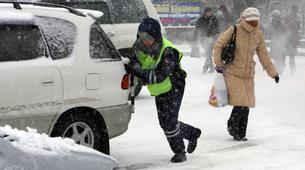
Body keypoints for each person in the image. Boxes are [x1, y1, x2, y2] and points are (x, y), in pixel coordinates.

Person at [124, 18, 201, 163]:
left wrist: (137, 71)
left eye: (149, 37)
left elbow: (158, 76)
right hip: (159, 89)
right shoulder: (138, 47)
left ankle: (179, 152)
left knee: (169, 122)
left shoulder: (168, 51)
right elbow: (133, 61)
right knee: (164, 122)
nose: (145, 40)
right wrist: (131, 64)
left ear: (156, 37)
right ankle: (192, 133)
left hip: (174, 85)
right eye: (142, 36)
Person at [213, 7, 280, 141]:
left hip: (248, 74)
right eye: (250, 21)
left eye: (255, 21)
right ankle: (234, 128)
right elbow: (218, 45)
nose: (253, 24)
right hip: (233, 72)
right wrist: (219, 64)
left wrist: (273, 73)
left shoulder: (258, 34)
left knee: (246, 103)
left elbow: (263, 55)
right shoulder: (234, 30)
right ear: (244, 19)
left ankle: (240, 132)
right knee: (241, 102)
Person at [194, 7, 219, 74]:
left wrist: (215, 34)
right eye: (208, 12)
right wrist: (196, 38)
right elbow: (197, 28)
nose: (209, 13)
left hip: (212, 38)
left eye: (210, 12)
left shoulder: (214, 19)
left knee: (209, 54)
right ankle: (212, 68)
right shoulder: (201, 19)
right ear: (205, 12)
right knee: (208, 54)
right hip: (204, 39)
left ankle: (205, 68)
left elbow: (217, 28)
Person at [284, 5, 300, 75]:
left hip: (291, 39)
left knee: (291, 55)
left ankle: (292, 71)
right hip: (289, 38)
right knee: (285, 54)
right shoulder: (289, 16)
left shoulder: (296, 17)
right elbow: (285, 25)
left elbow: (297, 28)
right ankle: (281, 69)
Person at [270, 9, 286, 74]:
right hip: (277, 41)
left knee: (277, 56)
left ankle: (279, 68)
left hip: (277, 41)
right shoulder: (278, 23)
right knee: (279, 56)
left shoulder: (274, 23)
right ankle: (279, 68)